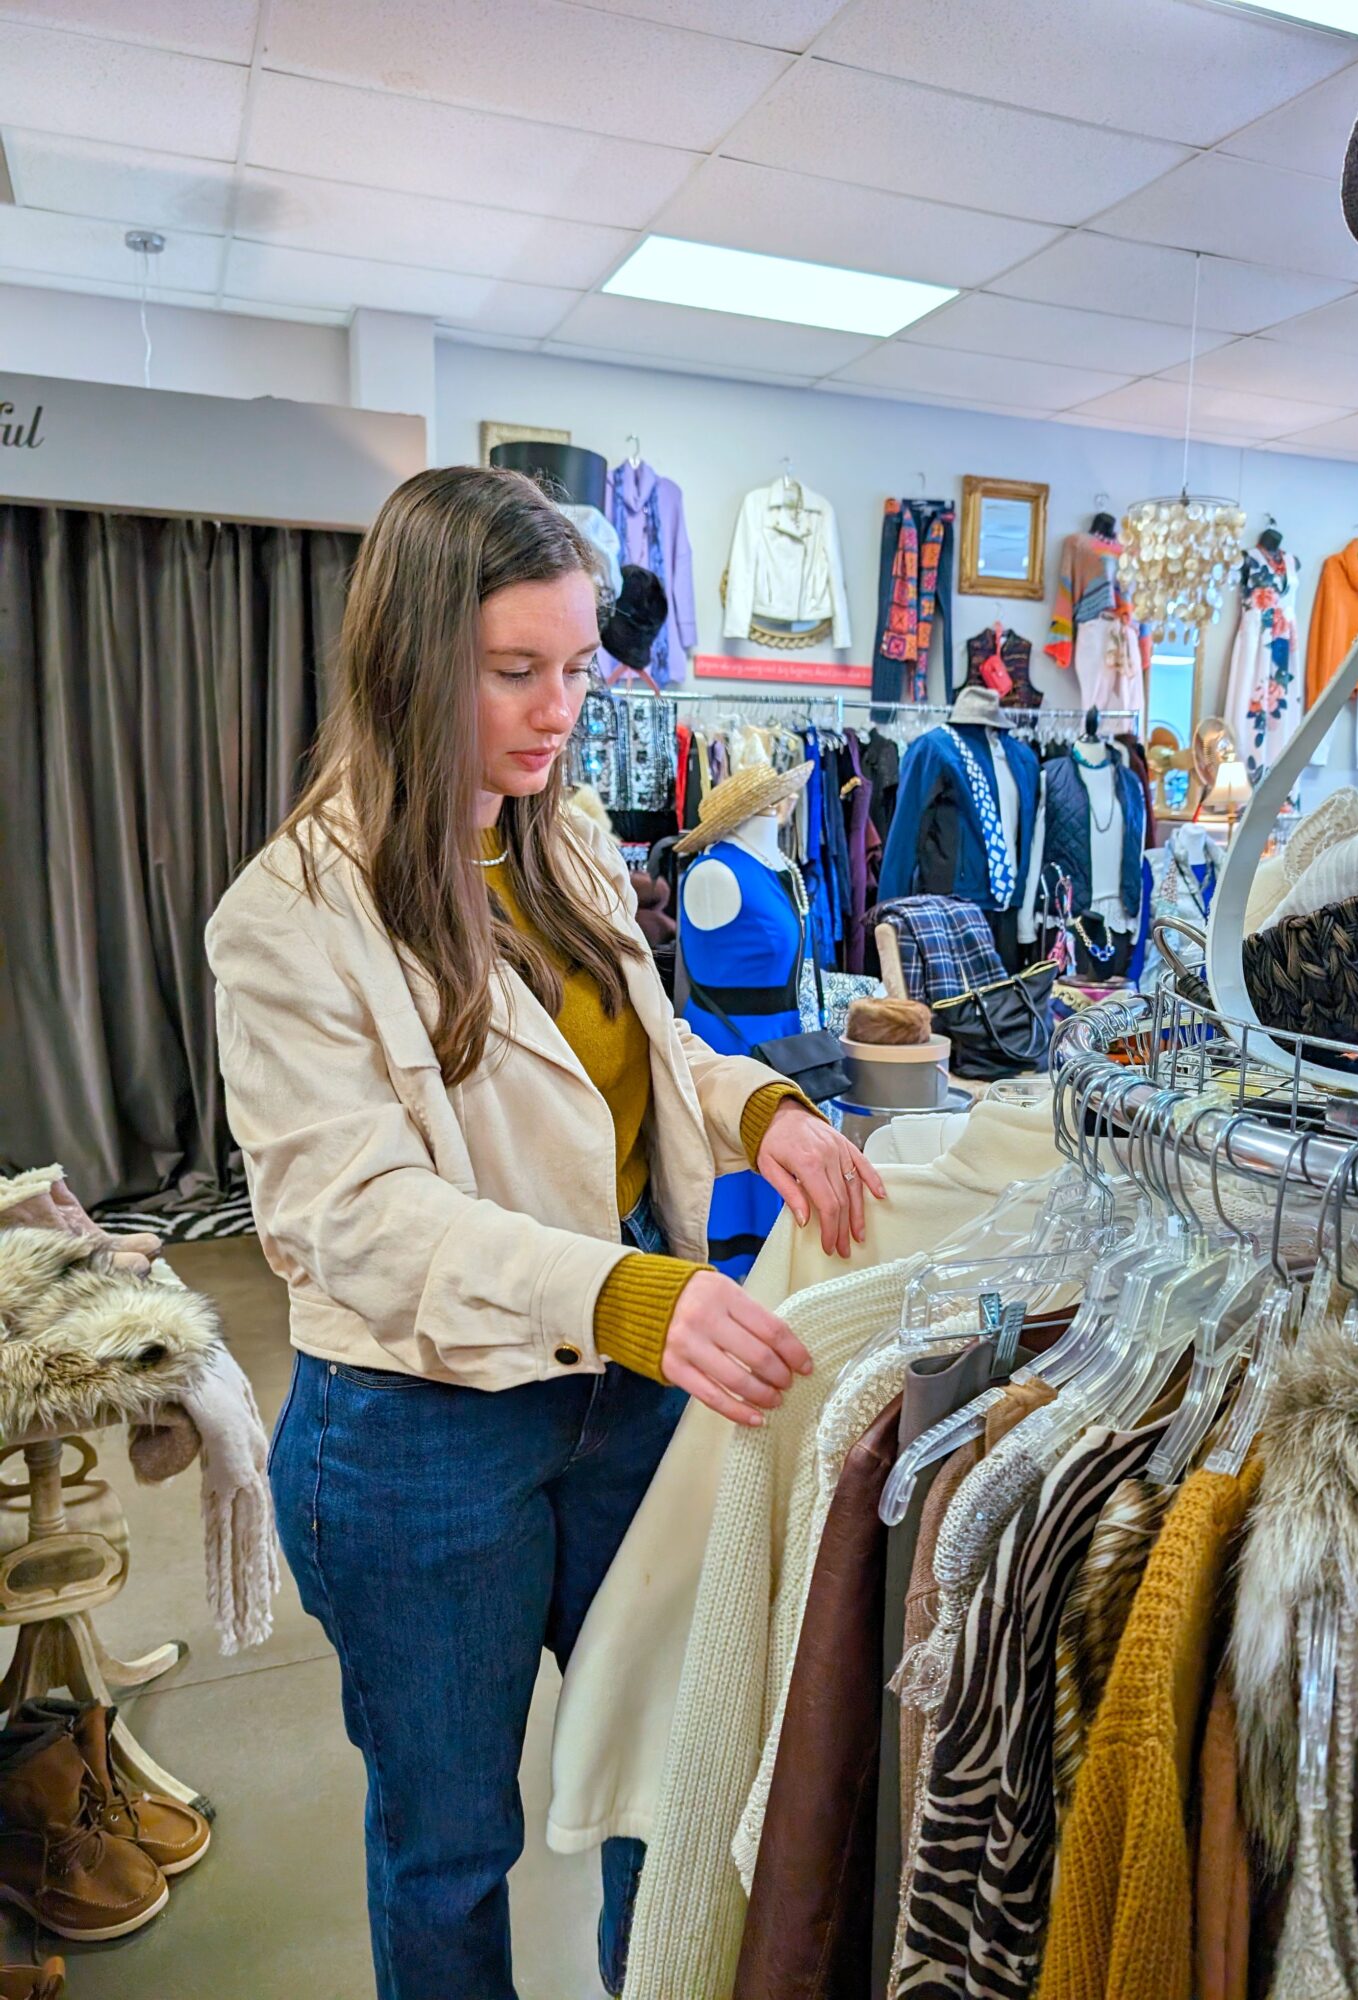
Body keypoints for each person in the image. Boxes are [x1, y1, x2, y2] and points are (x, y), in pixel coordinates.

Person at [205, 465, 884, 2000]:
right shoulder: (286, 918)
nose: (558, 707)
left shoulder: (558, 835)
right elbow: (351, 1218)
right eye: (515, 672)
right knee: (450, 1851)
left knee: (667, 1769)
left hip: (620, 1401)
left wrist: (760, 1110)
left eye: (578, 667)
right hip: (419, 1436)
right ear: (407, 660)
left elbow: (639, 1049)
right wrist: (628, 1293)